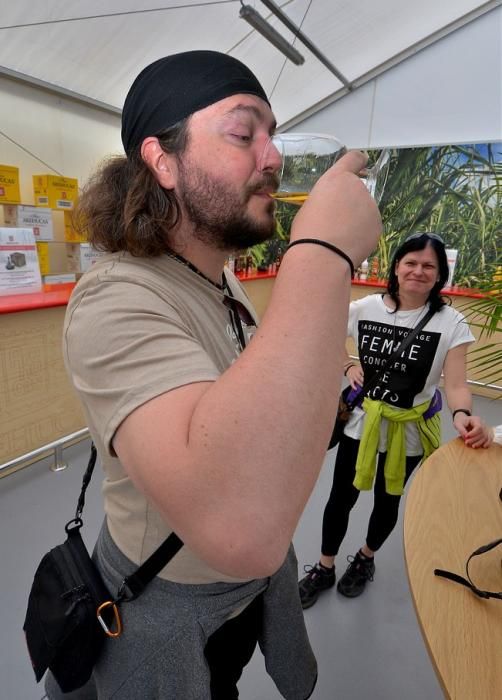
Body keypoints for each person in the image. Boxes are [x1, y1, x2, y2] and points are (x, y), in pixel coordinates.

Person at [44, 51, 382, 699]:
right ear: (162, 160)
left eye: (273, 133)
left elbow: (261, 413)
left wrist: (334, 387)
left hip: (231, 609)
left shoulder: (216, 278)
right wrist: (323, 253)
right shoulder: (114, 299)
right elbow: (242, 530)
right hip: (158, 611)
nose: (273, 155)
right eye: (243, 131)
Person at [299, 232, 492, 609]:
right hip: (361, 423)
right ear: (397, 267)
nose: (418, 271)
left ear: (440, 275)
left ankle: (366, 558)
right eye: (411, 263)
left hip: (408, 433)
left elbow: (454, 384)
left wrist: (464, 414)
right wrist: (347, 362)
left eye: (428, 266)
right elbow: (322, 331)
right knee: (341, 498)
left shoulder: (450, 322)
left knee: (387, 503)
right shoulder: (367, 308)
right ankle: (324, 567)